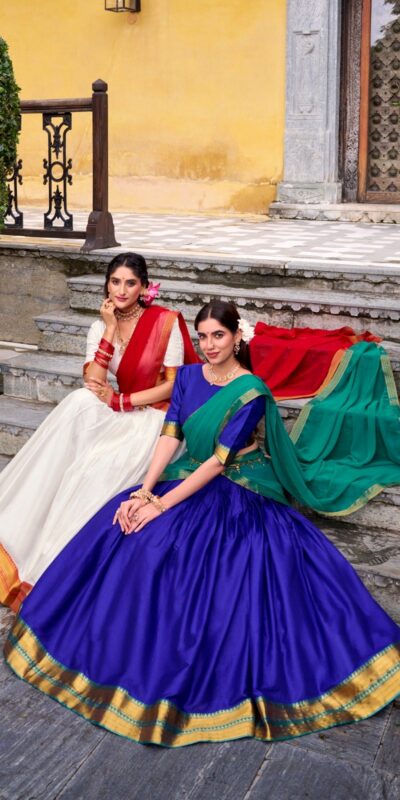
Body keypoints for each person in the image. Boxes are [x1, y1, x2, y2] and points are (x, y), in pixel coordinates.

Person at [5, 300, 400, 748]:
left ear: (237, 337)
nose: (210, 345)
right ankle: (107, 649)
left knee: (179, 548)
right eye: (203, 337)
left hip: (236, 485)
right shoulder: (190, 378)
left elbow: (217, 462)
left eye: (219, 336)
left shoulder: (251, 392)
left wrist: (161, 504)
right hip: (184, 472)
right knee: (122, 524)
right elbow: (170, 434)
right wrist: (143, 491)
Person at [0, 252, 198, 610]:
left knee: (95, 470)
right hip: (118, 408)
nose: (121, 290)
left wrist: (123, 401)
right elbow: (93, 381)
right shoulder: (98, 327)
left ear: (144, 288)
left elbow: (173, 386)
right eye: (115, 282)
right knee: (79, 401)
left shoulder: (165, 323)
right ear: (106, 285)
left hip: (155, 415)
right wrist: (108, 329)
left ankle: (62, 565)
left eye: (130, 283)